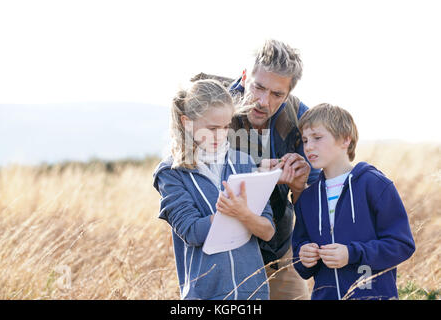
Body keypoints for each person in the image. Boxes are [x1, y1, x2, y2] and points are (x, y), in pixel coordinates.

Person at [152, 79, 275, 300]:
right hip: (204, 295)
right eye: (212, 128)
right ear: (187, 122)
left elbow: (267, 231)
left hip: (253, 293)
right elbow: (191, 231)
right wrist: (233, 214)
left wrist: (244, 214)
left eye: (226, 127)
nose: (221, 135)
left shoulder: (244, 162)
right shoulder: (171, 172)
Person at [292, 103, 415, 300]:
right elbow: (300, 262)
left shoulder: (374, 184)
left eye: (317, 138)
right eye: (305, 140)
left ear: (345, 140)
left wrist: (352, 253)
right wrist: (304, 256)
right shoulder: (307, 198)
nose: (309, 146)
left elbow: (401, 245)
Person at [227, 39, 319, 300]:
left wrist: (298, 185)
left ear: (288, 94)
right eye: (258, 87)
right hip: (225, 255)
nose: (263, 102)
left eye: (277, 94)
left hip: (279, 249)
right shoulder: (213, 107)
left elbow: (309, 202)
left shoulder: (301, 118)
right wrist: (258, 174)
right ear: (245, 77)